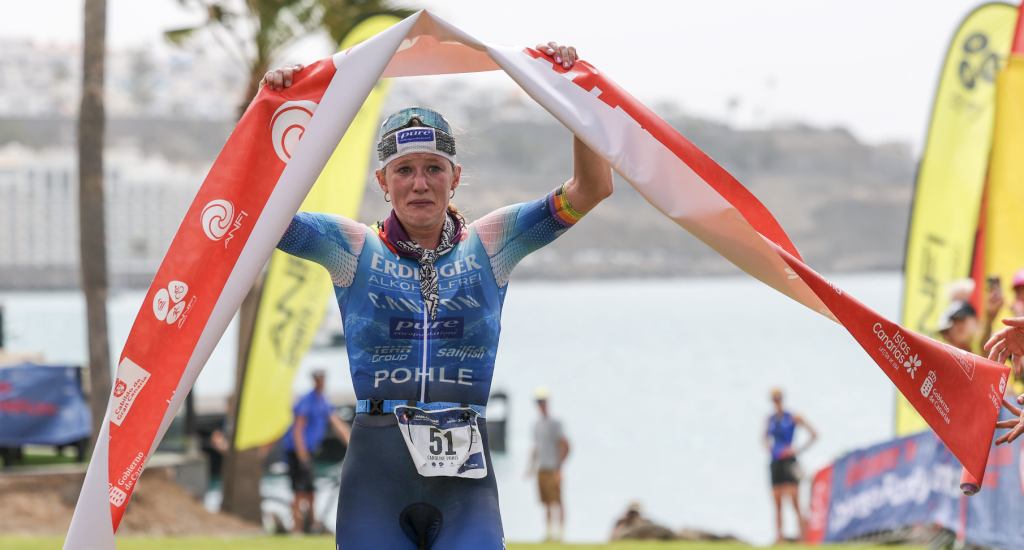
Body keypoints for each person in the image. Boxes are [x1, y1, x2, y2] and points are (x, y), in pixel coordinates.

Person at [263, 40, 612, 549]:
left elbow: (592, 189)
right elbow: (262, 217)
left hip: (465, 490)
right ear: (383, 181)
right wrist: (274, 109)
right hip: (376, 480)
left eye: (434, 168)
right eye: (404, 170)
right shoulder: (352, 249)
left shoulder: (491, 244)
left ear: (455, 177)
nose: (420, 183)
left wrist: (575, 96)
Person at [279, 369, 352, 534]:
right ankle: (296, 529)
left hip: (309, 451)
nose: (321, 381)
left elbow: (337, 423)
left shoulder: (323, 400)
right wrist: (302, 455)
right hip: (297, 451)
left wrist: (352, 443)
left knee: (311, 490)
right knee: (298, 491)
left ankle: (313, 527)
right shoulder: (307, 400)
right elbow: (298, 430)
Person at [765, 388, 816, 544]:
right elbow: (764, 438)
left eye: (778, 398)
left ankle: (802, 538)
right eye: (774, 398)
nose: (776, 401)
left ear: (782, 399)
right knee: (777, 504)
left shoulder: (793, 416)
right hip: (775, 462)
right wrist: (770, 449)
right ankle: (779, 539)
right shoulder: (770, 419)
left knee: (795, 503)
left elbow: (814, 434)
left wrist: (797, 449)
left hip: (789, 462)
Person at [527, 388, 570, 542]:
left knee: (558, 502)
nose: (541, 404)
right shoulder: (537, 424)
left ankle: (560, 535)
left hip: (553, 468)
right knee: (546, 503)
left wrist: (559, 468)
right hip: (542, 468)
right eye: (538, 401)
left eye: (543, 401)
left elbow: (565, 444)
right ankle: (549, 535)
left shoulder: (555, 423)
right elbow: (536, 447)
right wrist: (531, 467)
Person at [610, 501, 676, 541]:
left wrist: (638, 522)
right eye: (632, 512)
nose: (633, 515)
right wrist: (624, 521)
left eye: (636, 513)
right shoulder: (621, 522)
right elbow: (613, 538)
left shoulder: (646, 523)